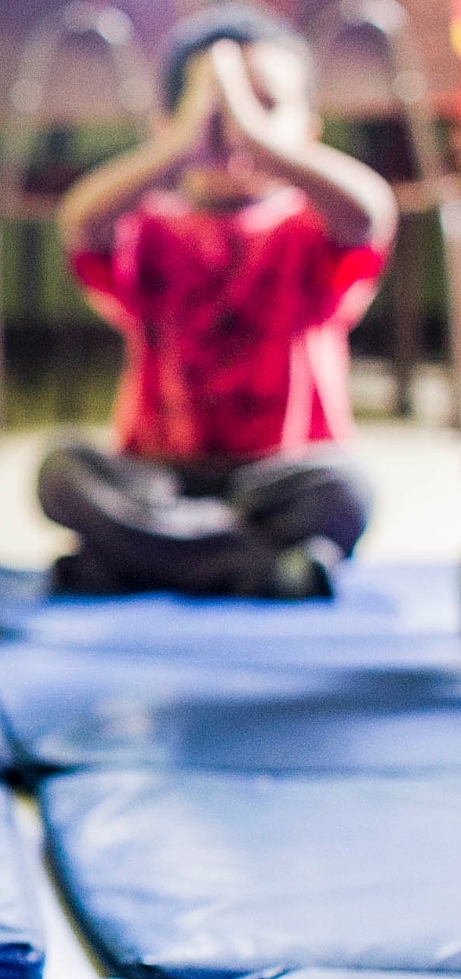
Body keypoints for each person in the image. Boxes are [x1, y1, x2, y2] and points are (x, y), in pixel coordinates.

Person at [43, 4, 395, 597]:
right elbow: (80, 220)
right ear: (169, 127)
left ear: (308, 132)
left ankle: (147, 560)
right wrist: (183, 143)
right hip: (160, 479)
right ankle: (254, 566)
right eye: (217, 116)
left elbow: (372, 212)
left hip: (279, 478)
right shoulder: (149, 231)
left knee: (348, 488)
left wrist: (256, 136)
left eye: (264, 108)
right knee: (62, 471)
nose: (235, 133)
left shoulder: (309, 233)